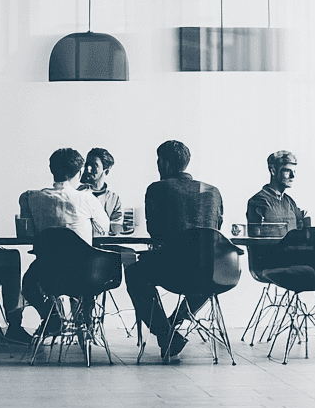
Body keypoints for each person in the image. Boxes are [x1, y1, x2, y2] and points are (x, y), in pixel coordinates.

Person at [124, 140, 224, 357]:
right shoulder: (213, 192)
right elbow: (216, 229)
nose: (158, 166)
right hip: (211, 270)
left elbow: (155, 232)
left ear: (167, 163)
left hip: (173, 268)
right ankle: (172, 325)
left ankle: (165, 333)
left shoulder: (158, 189)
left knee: (133, 272)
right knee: (207, 278)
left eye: (159, 161)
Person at [19, 148, 110, 335]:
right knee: (89, 268)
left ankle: (51, 316)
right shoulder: (87, 198)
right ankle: (84, 325)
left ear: (51, 169)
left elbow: (27, 233)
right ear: (79, 172)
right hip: (86, 273)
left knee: (28, 284)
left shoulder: (31, 197)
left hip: (47, 272)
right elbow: (104, 229)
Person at [246, 150, 311, 278]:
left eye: (294, 172)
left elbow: (302, 232)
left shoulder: (290, 202)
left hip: (293, 257)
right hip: (269, 262)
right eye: (287, 171)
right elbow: (255, 241)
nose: (292, 176)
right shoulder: (258, 201)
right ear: (273, 171)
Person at [78, 147, 123, 234]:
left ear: (106, 171)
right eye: (87, 165)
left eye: (94, 166)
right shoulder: (77, 194)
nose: (88, 169)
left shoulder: (114, 198)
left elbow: (116, 231)